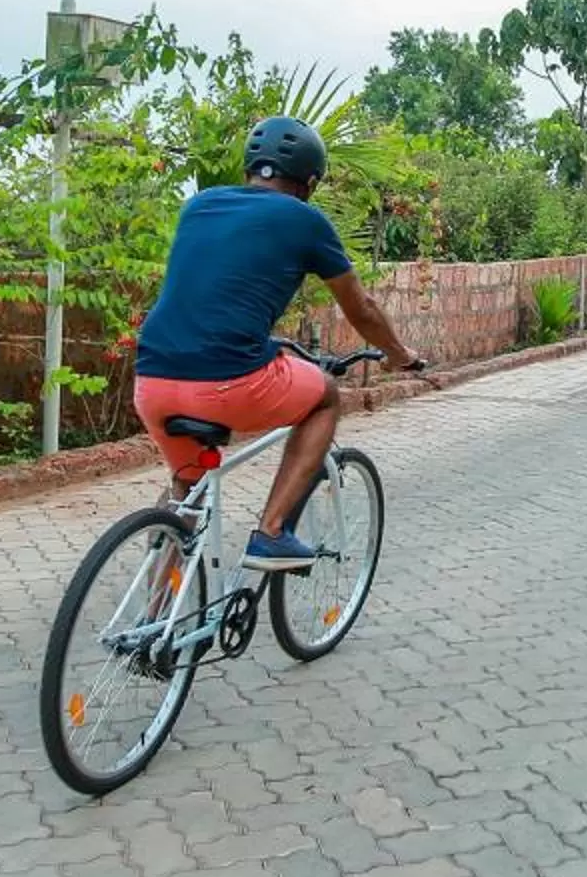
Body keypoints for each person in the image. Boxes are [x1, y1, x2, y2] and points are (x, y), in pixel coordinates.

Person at [130, 115, 423, 570]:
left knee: (186, 490)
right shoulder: (305, 219)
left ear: (250, 167)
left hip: (153, 380)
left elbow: (213, 290)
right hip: (229, 379)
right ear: (310, 182)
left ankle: (152, 625)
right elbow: (360, 307)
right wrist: (400, 356)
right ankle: (271, 533)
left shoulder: (199, 205)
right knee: (324, 395)